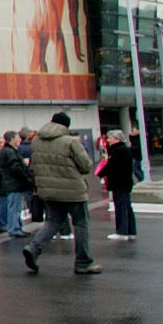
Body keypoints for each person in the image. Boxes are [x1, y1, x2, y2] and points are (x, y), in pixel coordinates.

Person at [22, 112, 100, 275]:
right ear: (66, 126)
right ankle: (83, 262)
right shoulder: (70, 142)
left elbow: (34, 167)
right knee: (81, 223)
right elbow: (86, 165)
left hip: (48, 190)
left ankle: (34, 248)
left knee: (52, 222)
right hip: (73, 190)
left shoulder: (36, 141)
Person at [101, 129, 136, 240]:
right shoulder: (123, 149)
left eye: (110, 138)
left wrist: (101, 172)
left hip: (119, 183)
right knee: (127, 207)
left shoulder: (117, 151)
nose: (108, 140)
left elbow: (112, 166)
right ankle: (130, 231)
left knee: (121, 207)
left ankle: (122, 232)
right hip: (124, 182)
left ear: (117, 139)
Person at [0, 131, 34, 238]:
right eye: (17, 138)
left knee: (15, 207)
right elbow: (15, 168)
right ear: (12, 139)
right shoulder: (10, 152)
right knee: (14, 207)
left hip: (12, 184)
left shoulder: (9, 151)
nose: (19, 140)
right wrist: (26, 175)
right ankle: (14, 228)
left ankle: (17, 227)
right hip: (14, 184)